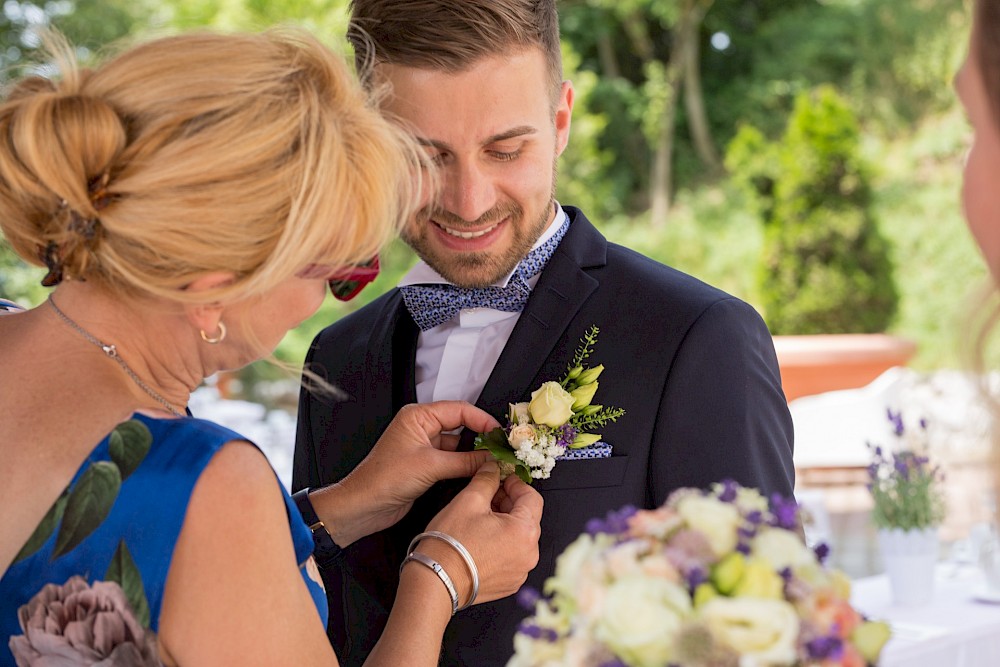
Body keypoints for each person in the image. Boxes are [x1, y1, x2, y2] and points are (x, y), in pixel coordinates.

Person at [0, 30, 543, 666]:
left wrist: (343, 506)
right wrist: (438, 578)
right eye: (335, 272)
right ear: (212, 289)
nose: (333, 298)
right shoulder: (208, 482)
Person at [293, 1, 795, 663]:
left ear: (561, 121)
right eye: (424, 155)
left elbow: (754, 631)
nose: (469, 201)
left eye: (505, 149)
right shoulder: (334, 357)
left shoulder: (698, 338)